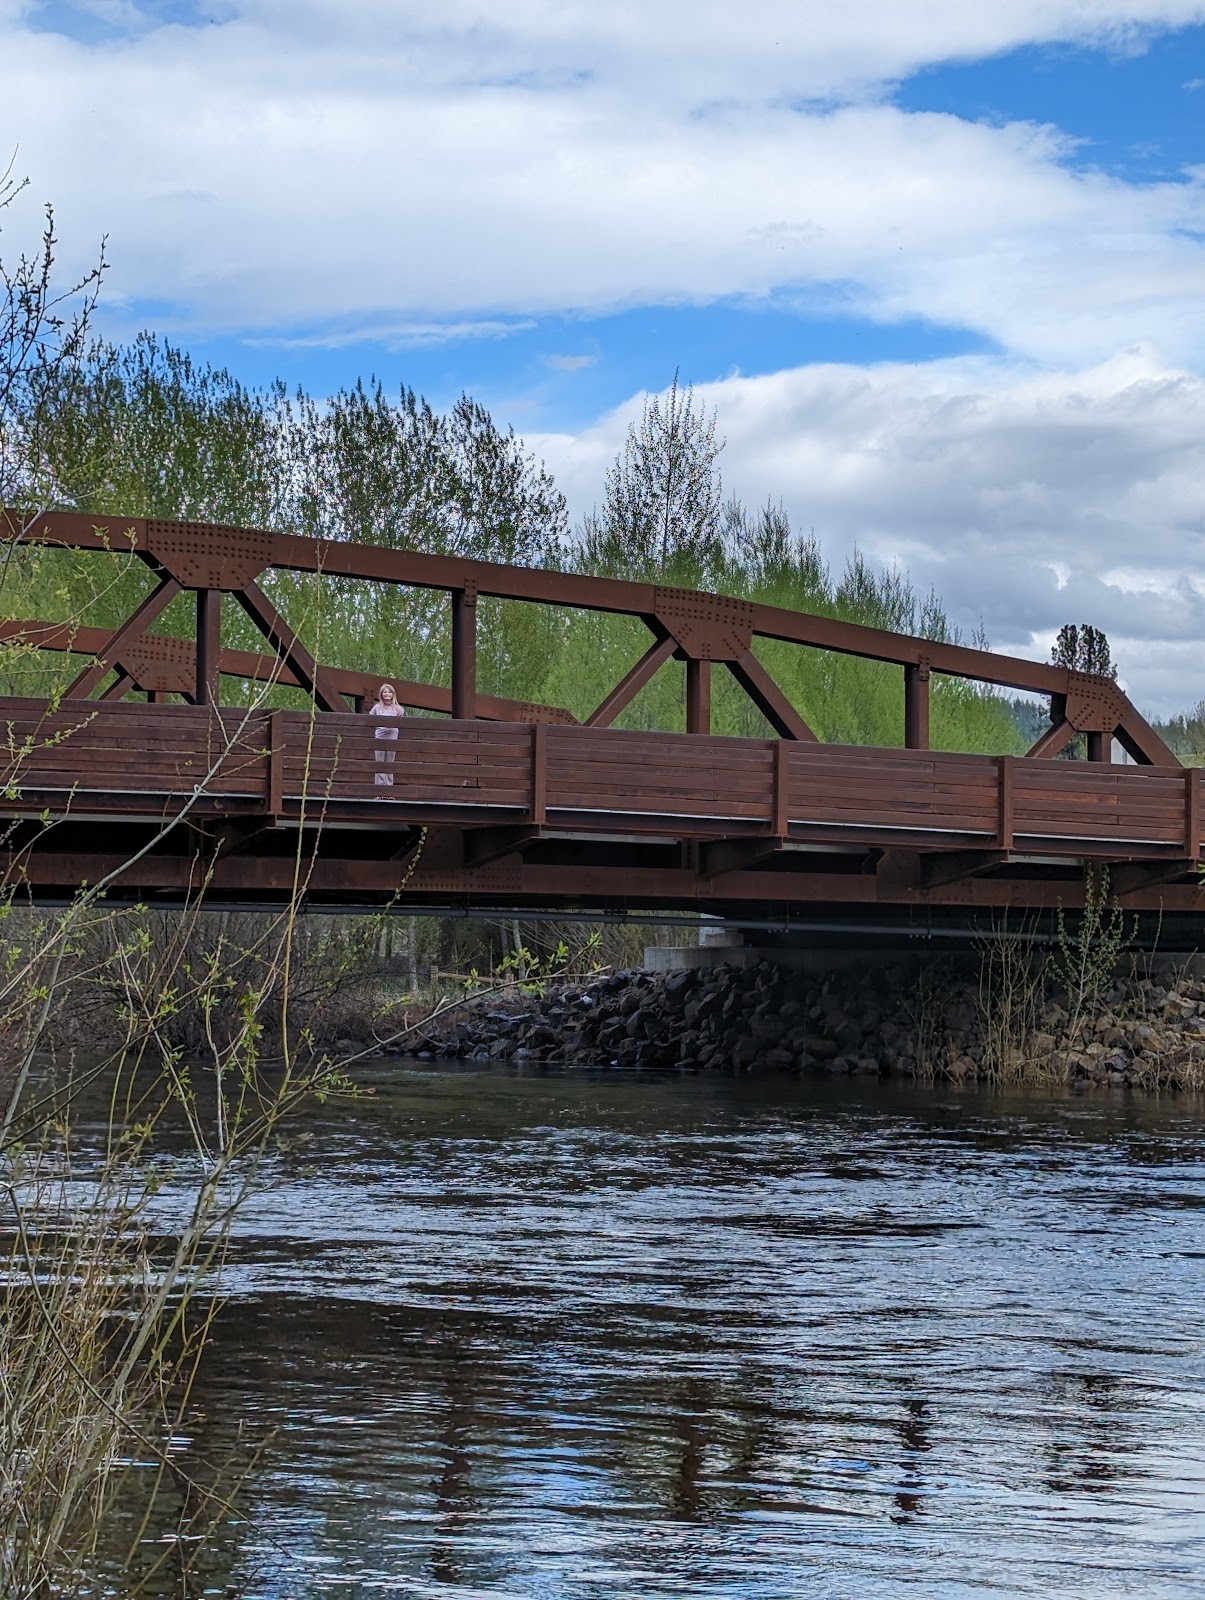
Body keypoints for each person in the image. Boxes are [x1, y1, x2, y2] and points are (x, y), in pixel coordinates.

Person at [368, 682, 404, 786]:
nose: (387, 694)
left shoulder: (398, 709)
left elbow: (401, 722)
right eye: (385, 692)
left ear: (393, 694)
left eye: (389, 692)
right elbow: (370, 720)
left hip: (392, 738)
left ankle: (388, 789)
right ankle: (379, 789)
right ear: (381, 694)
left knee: (389, 763)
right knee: (379, 763)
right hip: (380, 737)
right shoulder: (376, 707)